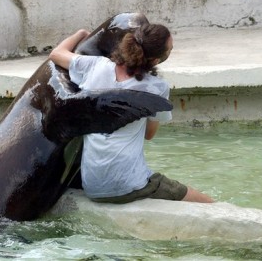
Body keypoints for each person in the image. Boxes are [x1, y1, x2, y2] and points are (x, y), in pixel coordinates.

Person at [49, 24, 214, 204]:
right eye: (170, 48)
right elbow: (149, 134)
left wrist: (81, 33)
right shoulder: (156, 87)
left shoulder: (95, 66)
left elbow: (56, 54)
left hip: (93, 186)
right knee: (204, 201)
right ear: (156, 60)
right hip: (127, 186)